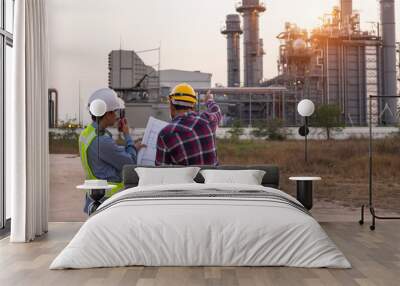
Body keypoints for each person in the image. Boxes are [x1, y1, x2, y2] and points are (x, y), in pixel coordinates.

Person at [79, 88, 145, 213]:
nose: (116, 116)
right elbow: (129, 162)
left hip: (95, 196)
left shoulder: (88, 133)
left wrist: (127, 147)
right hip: (107, 200)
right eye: (114, 112)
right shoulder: (102, 140)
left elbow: (107, 154)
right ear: (107, 113)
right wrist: (127, 137)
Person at [155, 83, 222, 166]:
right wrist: (209, 100)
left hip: (186, 179)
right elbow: (217, 111)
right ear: (193, 106)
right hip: (211, 178)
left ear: (171, 105)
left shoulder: (165, 134)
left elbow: (161, 170)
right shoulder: (208, 120)